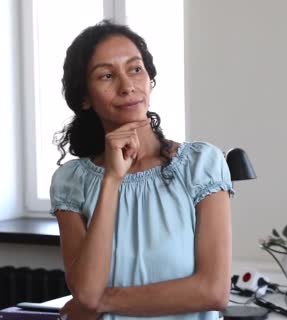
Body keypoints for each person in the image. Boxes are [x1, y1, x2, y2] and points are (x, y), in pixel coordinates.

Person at [50, 20, 234, 320]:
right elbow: (85, 291)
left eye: (135, 69)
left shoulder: (202, 165)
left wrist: (104, 300)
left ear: (150, 79)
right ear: (84, 97)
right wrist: (111, 179)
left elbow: (213, 291)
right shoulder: (71, 182)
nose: (127, 86)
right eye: (107, 75)